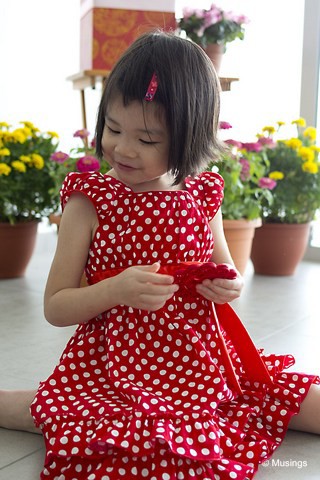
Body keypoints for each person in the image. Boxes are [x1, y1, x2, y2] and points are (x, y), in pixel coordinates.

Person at [0, 30, 319, 480]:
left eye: (147, 140)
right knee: (120, 432)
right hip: (118, 369)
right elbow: (56, 306)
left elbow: (228, 269)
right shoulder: (90, 200)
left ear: (190, 140)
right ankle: (38, 404)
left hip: (202, 362)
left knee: (291, 394)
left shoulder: (201, 193)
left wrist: (228, 284)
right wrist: (115, 289)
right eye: (113, 128)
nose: (123, 148)